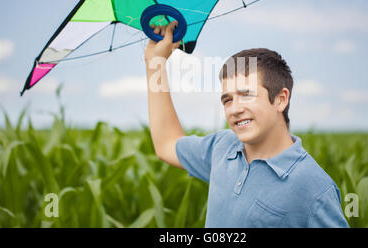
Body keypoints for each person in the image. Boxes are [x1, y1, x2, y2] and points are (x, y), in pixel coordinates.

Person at [144, 20, 349, 228]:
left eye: (246, 95)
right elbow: (167, 144)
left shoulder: (313, 188)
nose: (234, 109)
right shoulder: (222, 147)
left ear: (281, 99)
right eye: (227, 100)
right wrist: (155, 62)